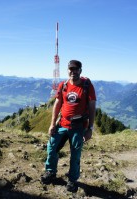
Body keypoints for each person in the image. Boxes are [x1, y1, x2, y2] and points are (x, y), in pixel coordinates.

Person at [41, 60, 96, 192]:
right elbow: (57, 104)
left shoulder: (87, 86)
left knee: (75, 153)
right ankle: (50, 172)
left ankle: (72, 180)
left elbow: (92, 107)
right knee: (52, 147)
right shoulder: (63, 85)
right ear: (68, 70)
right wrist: (52, 124)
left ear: (80, 70)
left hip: (78, 126)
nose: (73, 71)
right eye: (71, 69)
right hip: (62, 124)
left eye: (76, 69)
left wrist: (90, 129)